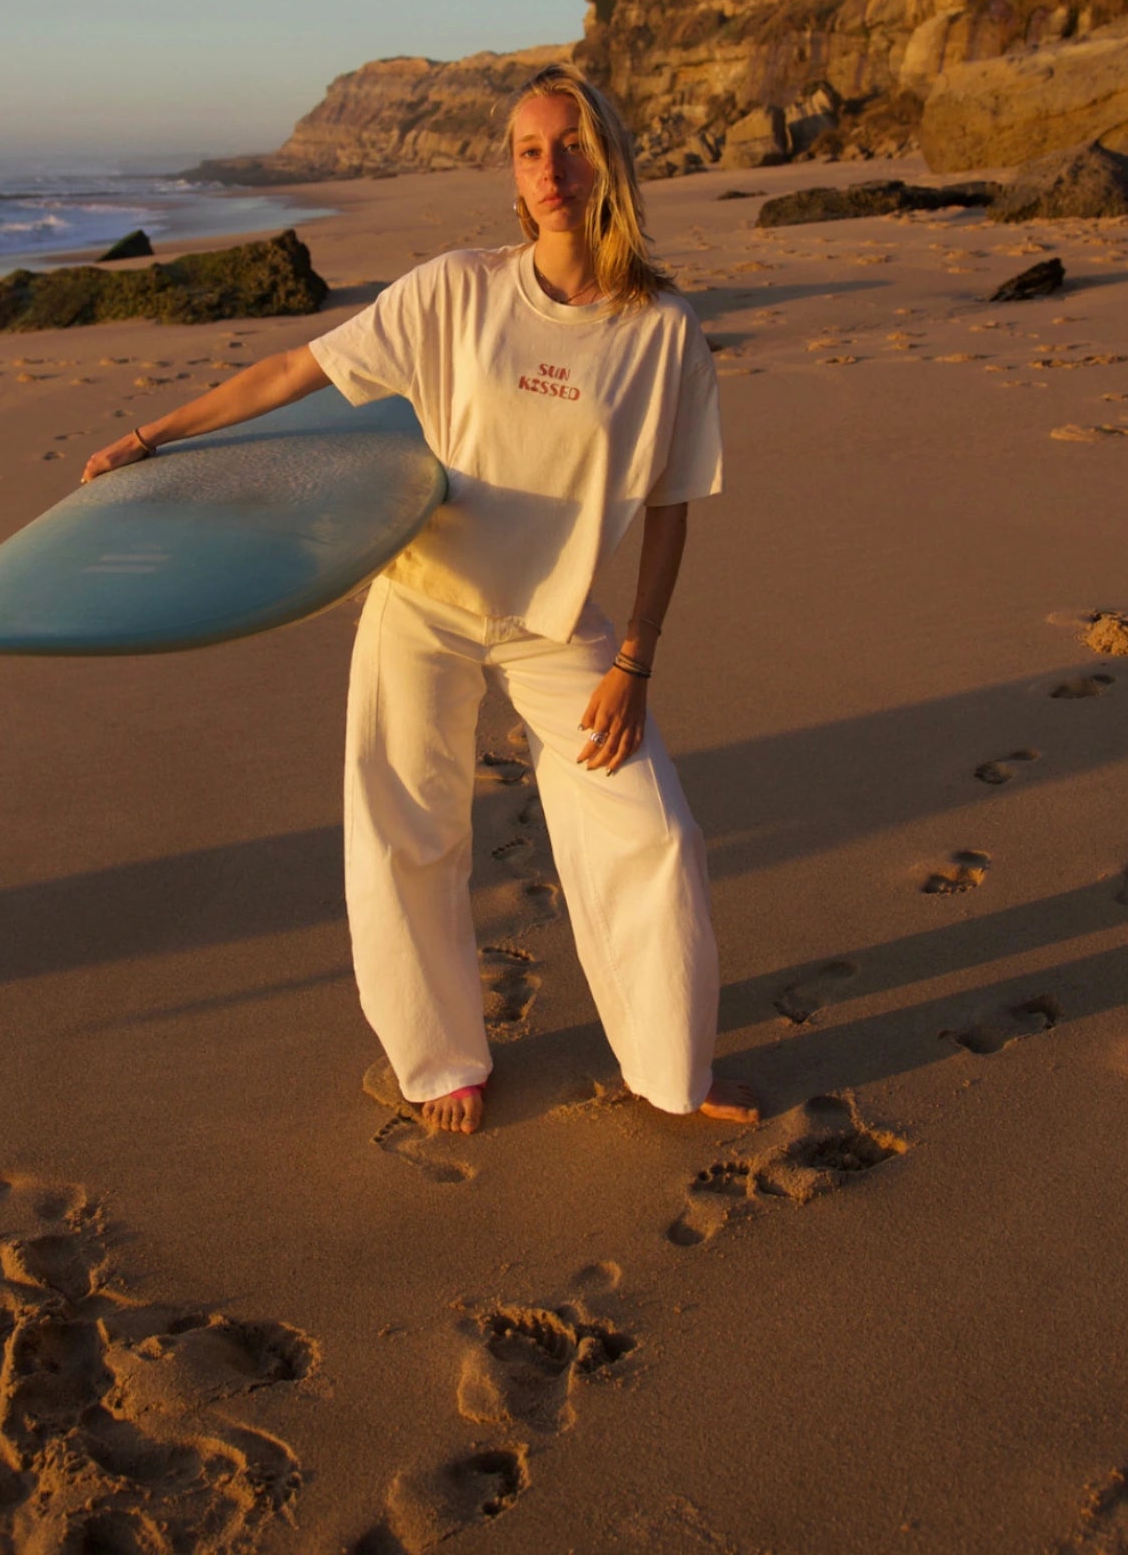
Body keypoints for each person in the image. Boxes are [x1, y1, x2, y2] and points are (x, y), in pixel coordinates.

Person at [81, 64, 758, 1135]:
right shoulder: (456, 290)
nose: (550, 169)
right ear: (513, 174)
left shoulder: (662, 331)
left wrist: (636, 657)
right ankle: (441, 1060)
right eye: (529, 151)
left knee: (651, 827)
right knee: (406, 831)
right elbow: (296, 371)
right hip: (425, 598)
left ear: (610, 161)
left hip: (554, 620)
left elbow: (671, 505)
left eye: (571, 146)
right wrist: (150, 434)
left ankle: (669, 1066)